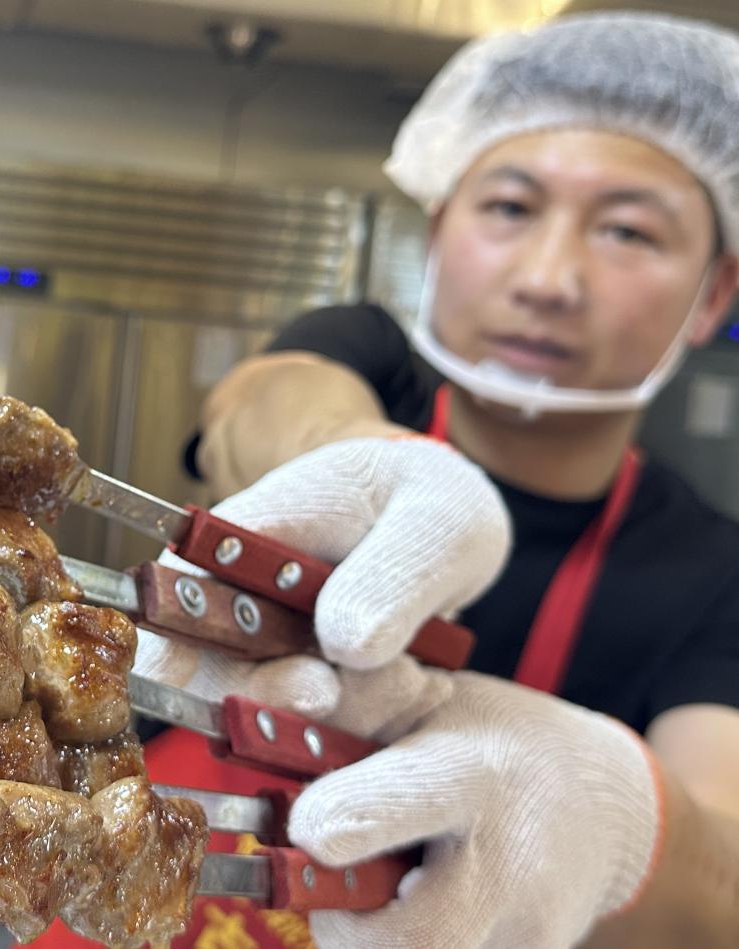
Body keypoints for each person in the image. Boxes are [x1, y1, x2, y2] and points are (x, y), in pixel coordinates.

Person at [132, 11, 739, 949]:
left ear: (715, 293)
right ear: (439, 227)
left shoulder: (711, 569)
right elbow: (262, 406)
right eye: (510, 208)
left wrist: (626, 822)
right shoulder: (367, 356)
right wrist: (361, 458)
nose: (548, 278)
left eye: (627, 230)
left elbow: (722, 882)